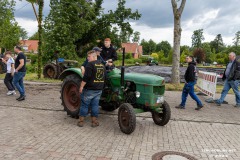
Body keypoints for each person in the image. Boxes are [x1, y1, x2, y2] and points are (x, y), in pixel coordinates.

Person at [78, 50, 106, 127]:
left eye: (89, 56)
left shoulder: (90, 65)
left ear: (94, 56)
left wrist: (81, 86)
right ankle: (94, 122)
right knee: (95, 105)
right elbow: (104, 77)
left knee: (84, 105)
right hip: (98, 90)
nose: (87, 58)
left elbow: (86, 77)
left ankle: (81, 121)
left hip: (89, 89)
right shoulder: (102, 65)